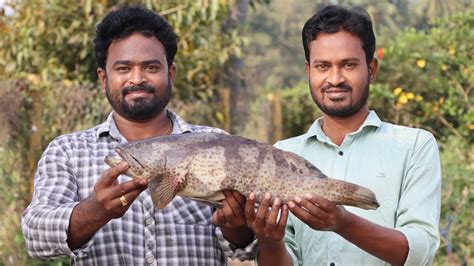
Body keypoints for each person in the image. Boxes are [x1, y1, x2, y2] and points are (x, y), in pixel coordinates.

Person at [21, 5, 256, 265]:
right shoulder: (68, 151)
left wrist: (236, 225)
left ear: (171, 73)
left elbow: (245, 248)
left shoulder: (215, 142)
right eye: (123, 68)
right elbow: (35, 237)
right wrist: (94, 211)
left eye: (151, 67)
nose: (137, 79)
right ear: (103, 78)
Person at [251, 5, 441, 266]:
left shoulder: (414, 146)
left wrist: (343, 223)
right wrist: (269, 240)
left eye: (348, 65)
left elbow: (420, 252)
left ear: (371, 69)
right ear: (309, 71)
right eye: (322, 66)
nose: (335, 78)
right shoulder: (282, 154)